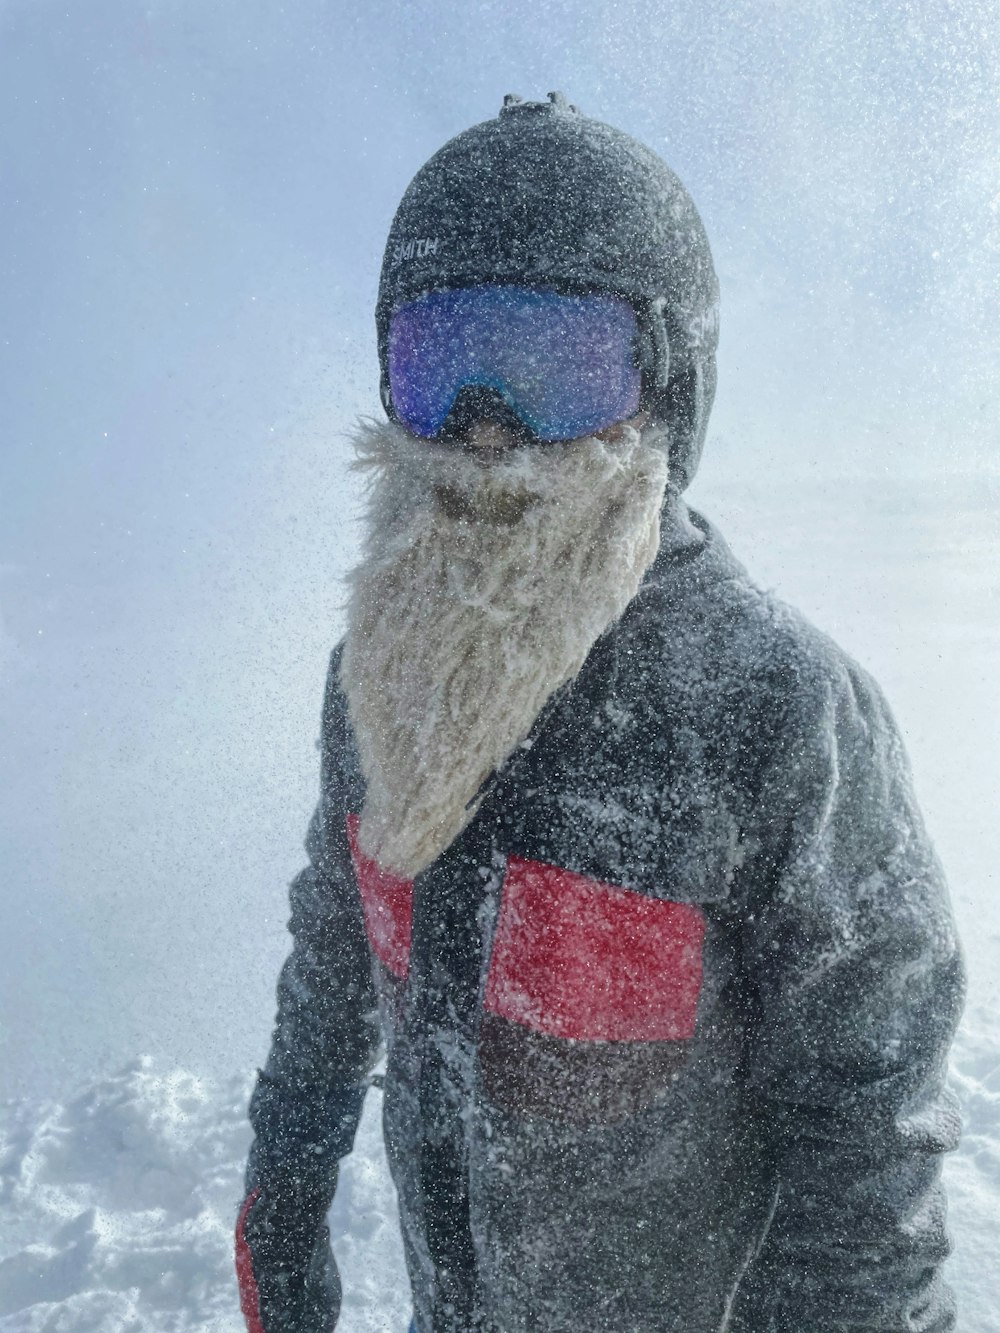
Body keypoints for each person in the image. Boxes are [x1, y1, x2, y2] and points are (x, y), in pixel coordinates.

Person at [234, 93, 965, 1333]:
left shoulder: (775, 711)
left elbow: (864, 1125)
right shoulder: (381, 674)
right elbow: (336, 932)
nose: (484, 425)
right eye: (439, 359)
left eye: (553, 367)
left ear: (666, 384)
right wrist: (286, 1185)